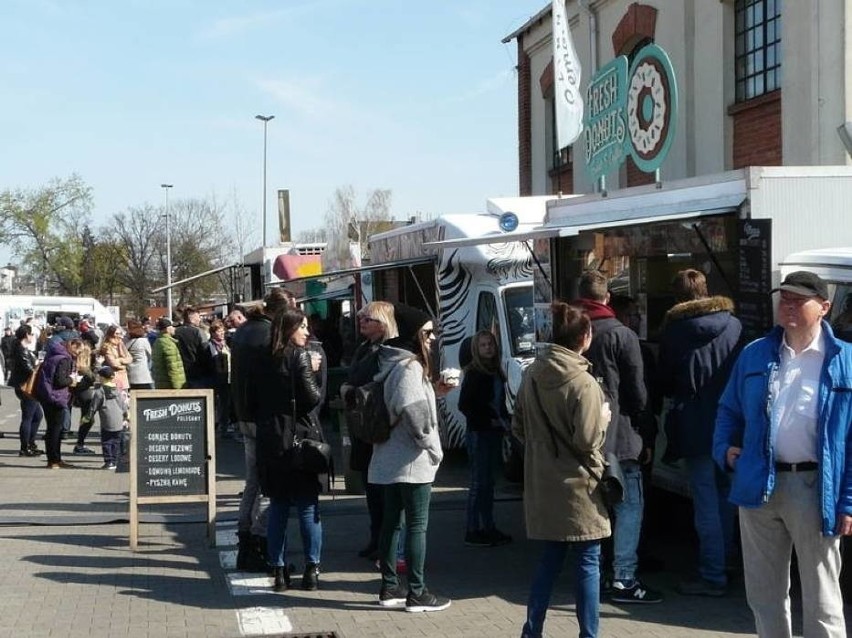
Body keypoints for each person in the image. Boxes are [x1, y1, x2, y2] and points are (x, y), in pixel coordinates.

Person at [714, 271, 852, 638]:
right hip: (758, 483)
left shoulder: (845, 360)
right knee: (764, 595)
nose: (787, 305)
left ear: (823, 307)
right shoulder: (756, 352)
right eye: (784, 298)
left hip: (814, 486)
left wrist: (848, 501)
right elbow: (728, 409)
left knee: (823, 597)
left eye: (798, 299)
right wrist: (725, 451)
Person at [513, 302, 611, 638]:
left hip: (542, 480)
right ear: (585, 337)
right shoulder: (584, 383)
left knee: (549, 559)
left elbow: (518, 427)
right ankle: (589, 634)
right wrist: (605, 420)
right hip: (580, 484)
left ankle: (532, 630)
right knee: (588, 562)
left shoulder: (531, 375)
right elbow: (587, 440)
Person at [573, 270, 661, 604]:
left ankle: (594, 572)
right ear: (607, 297)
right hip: (621, 434)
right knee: (630, 505)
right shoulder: (622, 335)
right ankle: (624, 577)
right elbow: (637, 391)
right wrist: (647, 432)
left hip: (582, 434)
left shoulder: (571, 330)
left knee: (595, 505)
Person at [658, 269, 742, 596]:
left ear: (678, 296)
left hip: (694, 423)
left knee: (705, 501)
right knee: (725, 497)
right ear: (706, 289)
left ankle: (712, 574)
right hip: (732, 423)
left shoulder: (674, 331)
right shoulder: (734, 325)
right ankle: (728, 560)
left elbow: (665, 378)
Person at [370, 303, 452, 613]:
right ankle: (417, 592)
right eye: (428, 333)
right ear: (415, 335)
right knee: (416, 525)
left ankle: (389, 586)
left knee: (391, 522)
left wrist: (434, 390)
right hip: (410, 460)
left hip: (389, 457)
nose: (432, 339)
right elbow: (416, 416)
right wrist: (434, 448)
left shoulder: (389, 360)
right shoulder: (409, 366)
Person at [256, 306, 325, 592]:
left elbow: (248, 400)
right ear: (289, 329)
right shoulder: (299, 357)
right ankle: (312, 570)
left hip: (270, 439)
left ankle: (279, 571)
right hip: (299, 439)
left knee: (279, 507)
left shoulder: (261, 357)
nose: (307, 333)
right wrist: (315, 370)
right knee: (308, 509)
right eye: (303, 327)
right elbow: (312, 399)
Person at [230, 289, 294, 573]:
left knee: (253, 481)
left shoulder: (243, 331)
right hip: (263, 417)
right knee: (270, 481)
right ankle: (259, 540)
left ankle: (245, 542)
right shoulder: (269, 336)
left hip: (244, 413)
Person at [340, 301, 398, 561]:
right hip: (363, 427)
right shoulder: (363, 348)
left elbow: (370, 382)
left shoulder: (389, 351)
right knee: (371, 489)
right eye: (361, 317)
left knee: (383, 492)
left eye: (368, 318)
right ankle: (376, 537)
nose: (362, 321)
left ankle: (386, 544)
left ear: (383, 323)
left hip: (378, 428)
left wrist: (350, 390)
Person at [458, 329, 512, 548]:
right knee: (478, 483)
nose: (488, 348)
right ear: (476, 350)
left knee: (488, 483)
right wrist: (488, 420)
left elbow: (498, 402)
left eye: (490, 344)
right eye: (483, 345)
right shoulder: (475, 373)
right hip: (480, 433)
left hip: (494, 432)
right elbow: (466, 406)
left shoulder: (496, 372)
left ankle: (488, 526)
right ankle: (473, 529)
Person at [35, 338, 82, 469]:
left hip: (46, 395)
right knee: (55, 430)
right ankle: (54, 460)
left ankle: (54, 459)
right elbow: (60, 380)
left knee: (52, 429)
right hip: (56, 397)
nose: (78, 353)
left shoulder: (53, 355)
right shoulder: (64, 359)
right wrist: (72, 380)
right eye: (78, 350)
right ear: (72, 345)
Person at [82, 366, 129, 470]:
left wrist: (87, 418)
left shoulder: (100, 392)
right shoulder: (117, 390)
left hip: (107, 422)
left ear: (102, 377)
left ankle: (108, 462)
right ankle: (115, 461)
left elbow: (93, 407)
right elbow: (123, 405)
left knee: (107, 441)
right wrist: (126, 415)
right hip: (118, 421)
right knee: (116, 441)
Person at [8, 324, 44, 457]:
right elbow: (28, 369)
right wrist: (38, 367)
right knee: (28, 416)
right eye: (31, 334)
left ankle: (30, 443)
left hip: (26, 385)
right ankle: (25, 447)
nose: (33, 337)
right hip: (25, 386)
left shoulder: (23, 349)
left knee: (37, 415)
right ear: (26, 335)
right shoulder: (20, 349)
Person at [71, 341, 98, 455]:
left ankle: (80, 444)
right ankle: (79, 445)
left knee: (87, 419)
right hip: (85, 395)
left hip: (82, 394)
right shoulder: (84, 368)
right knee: (88, 419)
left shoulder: (78, 366)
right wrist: (98, 365)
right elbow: (93, 378)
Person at [174, 306, 210, 389]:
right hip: (197, 372)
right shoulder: (199, 332)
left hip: (179, 372)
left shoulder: (175, 332)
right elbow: (206, 352)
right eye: (198, 317)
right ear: (191, 318)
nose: (200, 319)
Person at [207, 319, 231, 437]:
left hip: (228, 377)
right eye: (218, 332)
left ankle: (225, 427)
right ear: (212, 333)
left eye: (222, 332)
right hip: (216, 378)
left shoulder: (227, 344)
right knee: (217, 403)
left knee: (225, 403)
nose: (221, 334)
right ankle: (216, 426)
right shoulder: (209, 345)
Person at [151, 318, 186, 389]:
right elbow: (172, 366)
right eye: (172, 327)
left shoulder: (158, 341)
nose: (174, 329)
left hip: (161, 384)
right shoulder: (168, 344)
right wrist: (178, 387)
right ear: (167, 329)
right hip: (170, 385)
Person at [99, 325, 133, 392]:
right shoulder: (106, 346)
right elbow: (114, 364)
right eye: (116, 333)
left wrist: (120, 360)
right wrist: (123, 363)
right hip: (112, 377)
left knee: (125, 399)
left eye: (120, 333)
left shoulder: (121, 345)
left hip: (123, 377)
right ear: (111, 334)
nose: (119, 336)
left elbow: (130, 359)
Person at [125, 319, 154, 390]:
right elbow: (151, 355)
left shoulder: (126, 342)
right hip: (143, 375)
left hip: (130, 374)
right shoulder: (143, 341)